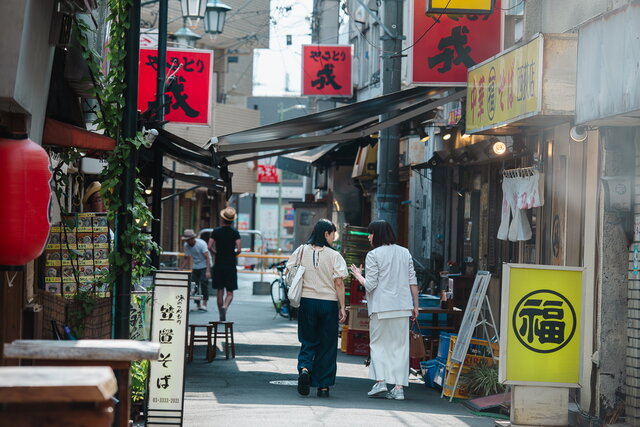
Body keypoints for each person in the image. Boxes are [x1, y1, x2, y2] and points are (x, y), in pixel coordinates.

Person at [349, 220, 418, 400]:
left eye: (370, 234)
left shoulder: (373, 255)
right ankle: (398, 388)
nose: (369, 237)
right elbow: (413, 282)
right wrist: (415, 306)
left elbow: (370, 285)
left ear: (377, 235)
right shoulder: (405, 253)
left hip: (381, 308)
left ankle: (380, 382)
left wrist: (358, 275)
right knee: (400, 347)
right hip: (403, 307)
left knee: (379, 345)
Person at [288, 219, 348, 398]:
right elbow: (339, 283)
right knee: (328, 345)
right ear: (326, 234)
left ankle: (305, 369)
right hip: (328, 303)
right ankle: (323, 386)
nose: (333, 238)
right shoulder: (334, 256)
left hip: (307, 302)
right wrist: (342, 307)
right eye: (332, 234)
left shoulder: (301, 250)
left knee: (308, 340)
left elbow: (289, 270)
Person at [208, 207, 241, 321]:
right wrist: (233, 254)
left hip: (219, 264)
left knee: (220, 290)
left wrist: (216, 253)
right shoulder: (235, 233)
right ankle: (225, 306)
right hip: (230, 264)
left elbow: (209, 246)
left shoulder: (216, 231)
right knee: (230, 291)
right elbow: (239, 248)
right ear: (232, 220)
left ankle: (220, 313)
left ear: (223, 219)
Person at [181, 229, 211, 312]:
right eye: (186, 240)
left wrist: (208, 271)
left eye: (189, 239)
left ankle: (204, 304)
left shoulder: (201, 244)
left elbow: (207, 257)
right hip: (196, 265)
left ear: (193, 238)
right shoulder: (186, 245)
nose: (188, 241)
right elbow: (186, 259)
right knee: (194, 285)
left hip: (205, 264)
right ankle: (198, 305)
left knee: (204, 283)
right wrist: (181, 269)